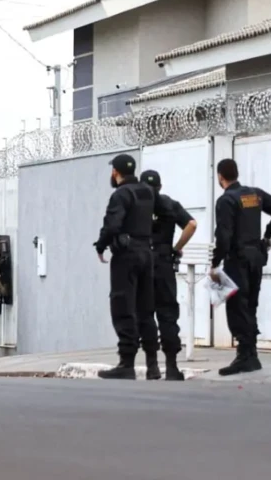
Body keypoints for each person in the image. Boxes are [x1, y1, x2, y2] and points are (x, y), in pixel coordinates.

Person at [93, 154, 173, 380]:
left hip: (126, 256)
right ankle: (152, 365)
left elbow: (112, 224)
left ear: (115, 172)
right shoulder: (148, 191)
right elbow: (168, 211)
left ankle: (126, 363)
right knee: (146, 309)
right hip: (147, 254)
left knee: (123, 306)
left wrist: (101, 246)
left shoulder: (121, 194)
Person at [210, 158, 271, 376]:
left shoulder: (226, 200)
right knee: (250, 304)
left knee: (237, 306)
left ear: (220, 176)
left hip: (237, 259)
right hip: (256, 257)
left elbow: (224, 235)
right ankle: (251, 355)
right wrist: (267, 235)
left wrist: (215, 262)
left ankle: (245, 356)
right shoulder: (255, 194)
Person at [140, 170, 198, 381]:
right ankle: (172, 367)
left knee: (146, 315)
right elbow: (191, 224)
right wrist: (176, 247)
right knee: (167, 315)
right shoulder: (169, 204)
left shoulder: (136, 206)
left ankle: (152, 365)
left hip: (143, 264)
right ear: (160, 187)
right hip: (164, 264)